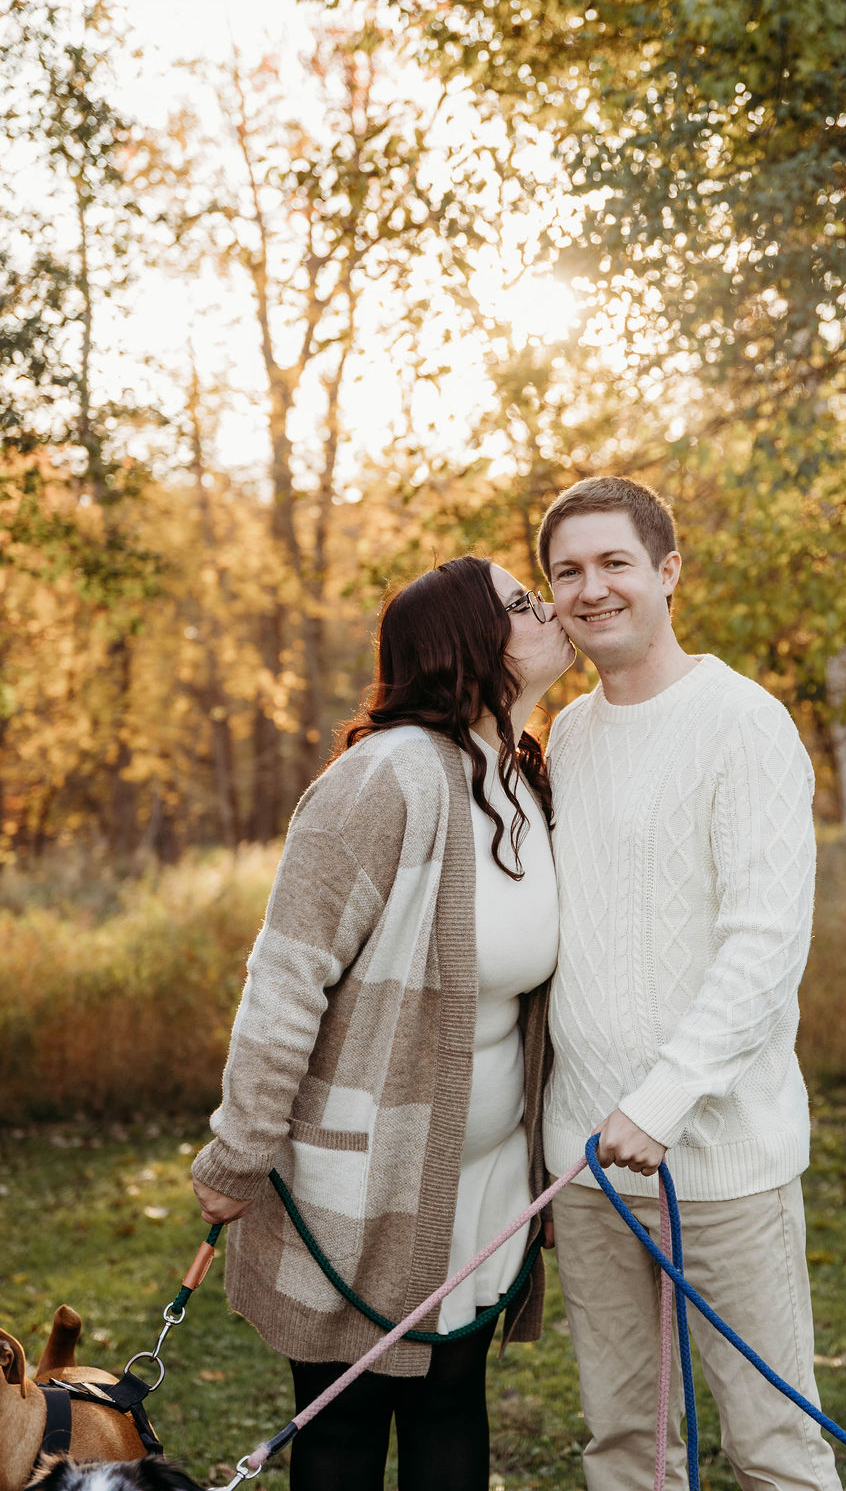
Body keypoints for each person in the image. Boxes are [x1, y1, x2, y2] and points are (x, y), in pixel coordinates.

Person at [190, 555, 574, 1491]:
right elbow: (285, 982)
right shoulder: (384, 779)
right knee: (345, 1423)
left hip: (477, 1176)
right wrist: (238, 1152)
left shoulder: (520, 776)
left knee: (452, 1398)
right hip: (360, 1173)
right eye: (523, 602)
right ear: (468, 645)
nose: (552, 606)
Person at [537, 476, 843, 1491]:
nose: (592, 590)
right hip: (585, 1166)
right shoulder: (566, 737)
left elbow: (763, 945)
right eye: (567, 572)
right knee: (626, 1448)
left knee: (771, 1446)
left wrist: (662, 1099)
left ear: (668, 571)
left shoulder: (741, 723)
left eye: (614, 562)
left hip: (719, 1164)